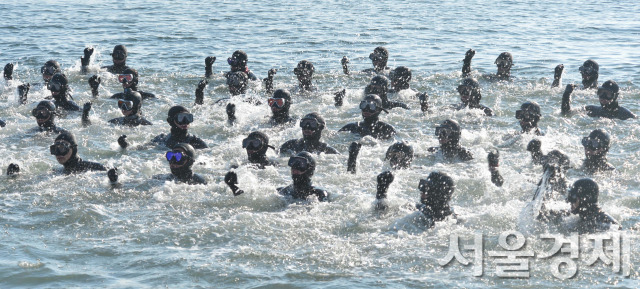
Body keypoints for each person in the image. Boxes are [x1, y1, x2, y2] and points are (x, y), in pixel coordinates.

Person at [540, 178, 618, 234]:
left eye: (573, 198)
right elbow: (548, 214)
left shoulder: (604, 223)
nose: (569, 202)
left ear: (585, 200)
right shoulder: (584, 214)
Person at [561, 80, 635, 120]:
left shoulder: (625, 114)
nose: (603, 97)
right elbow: (566, 113)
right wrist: (566, 95)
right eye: (601, 93)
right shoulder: (592, 110)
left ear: (615, 96)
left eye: (608, 94)